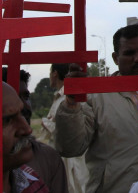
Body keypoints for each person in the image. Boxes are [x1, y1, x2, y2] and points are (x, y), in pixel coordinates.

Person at [55, 24, 138, 192]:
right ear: (115, 58)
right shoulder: (97, 96)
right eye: (129, 53)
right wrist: (71, 104)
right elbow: (71, 147)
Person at [40, 63, 89, 193]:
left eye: (50, 73)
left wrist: (46, 123)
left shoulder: (67, 97)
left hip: (71, 160)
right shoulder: (59, 98)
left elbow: (66, 128)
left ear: (54, 73)